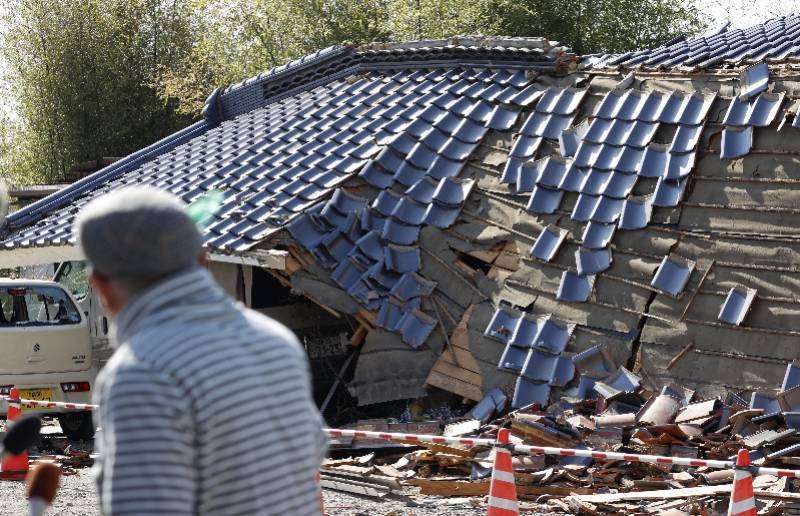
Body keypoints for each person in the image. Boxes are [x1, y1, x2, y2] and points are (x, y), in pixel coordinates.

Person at [75, 187, 327, 515]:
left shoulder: (142, 372)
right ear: (202, 261)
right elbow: (310, 457)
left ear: (101, 287)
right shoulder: (276, 341)